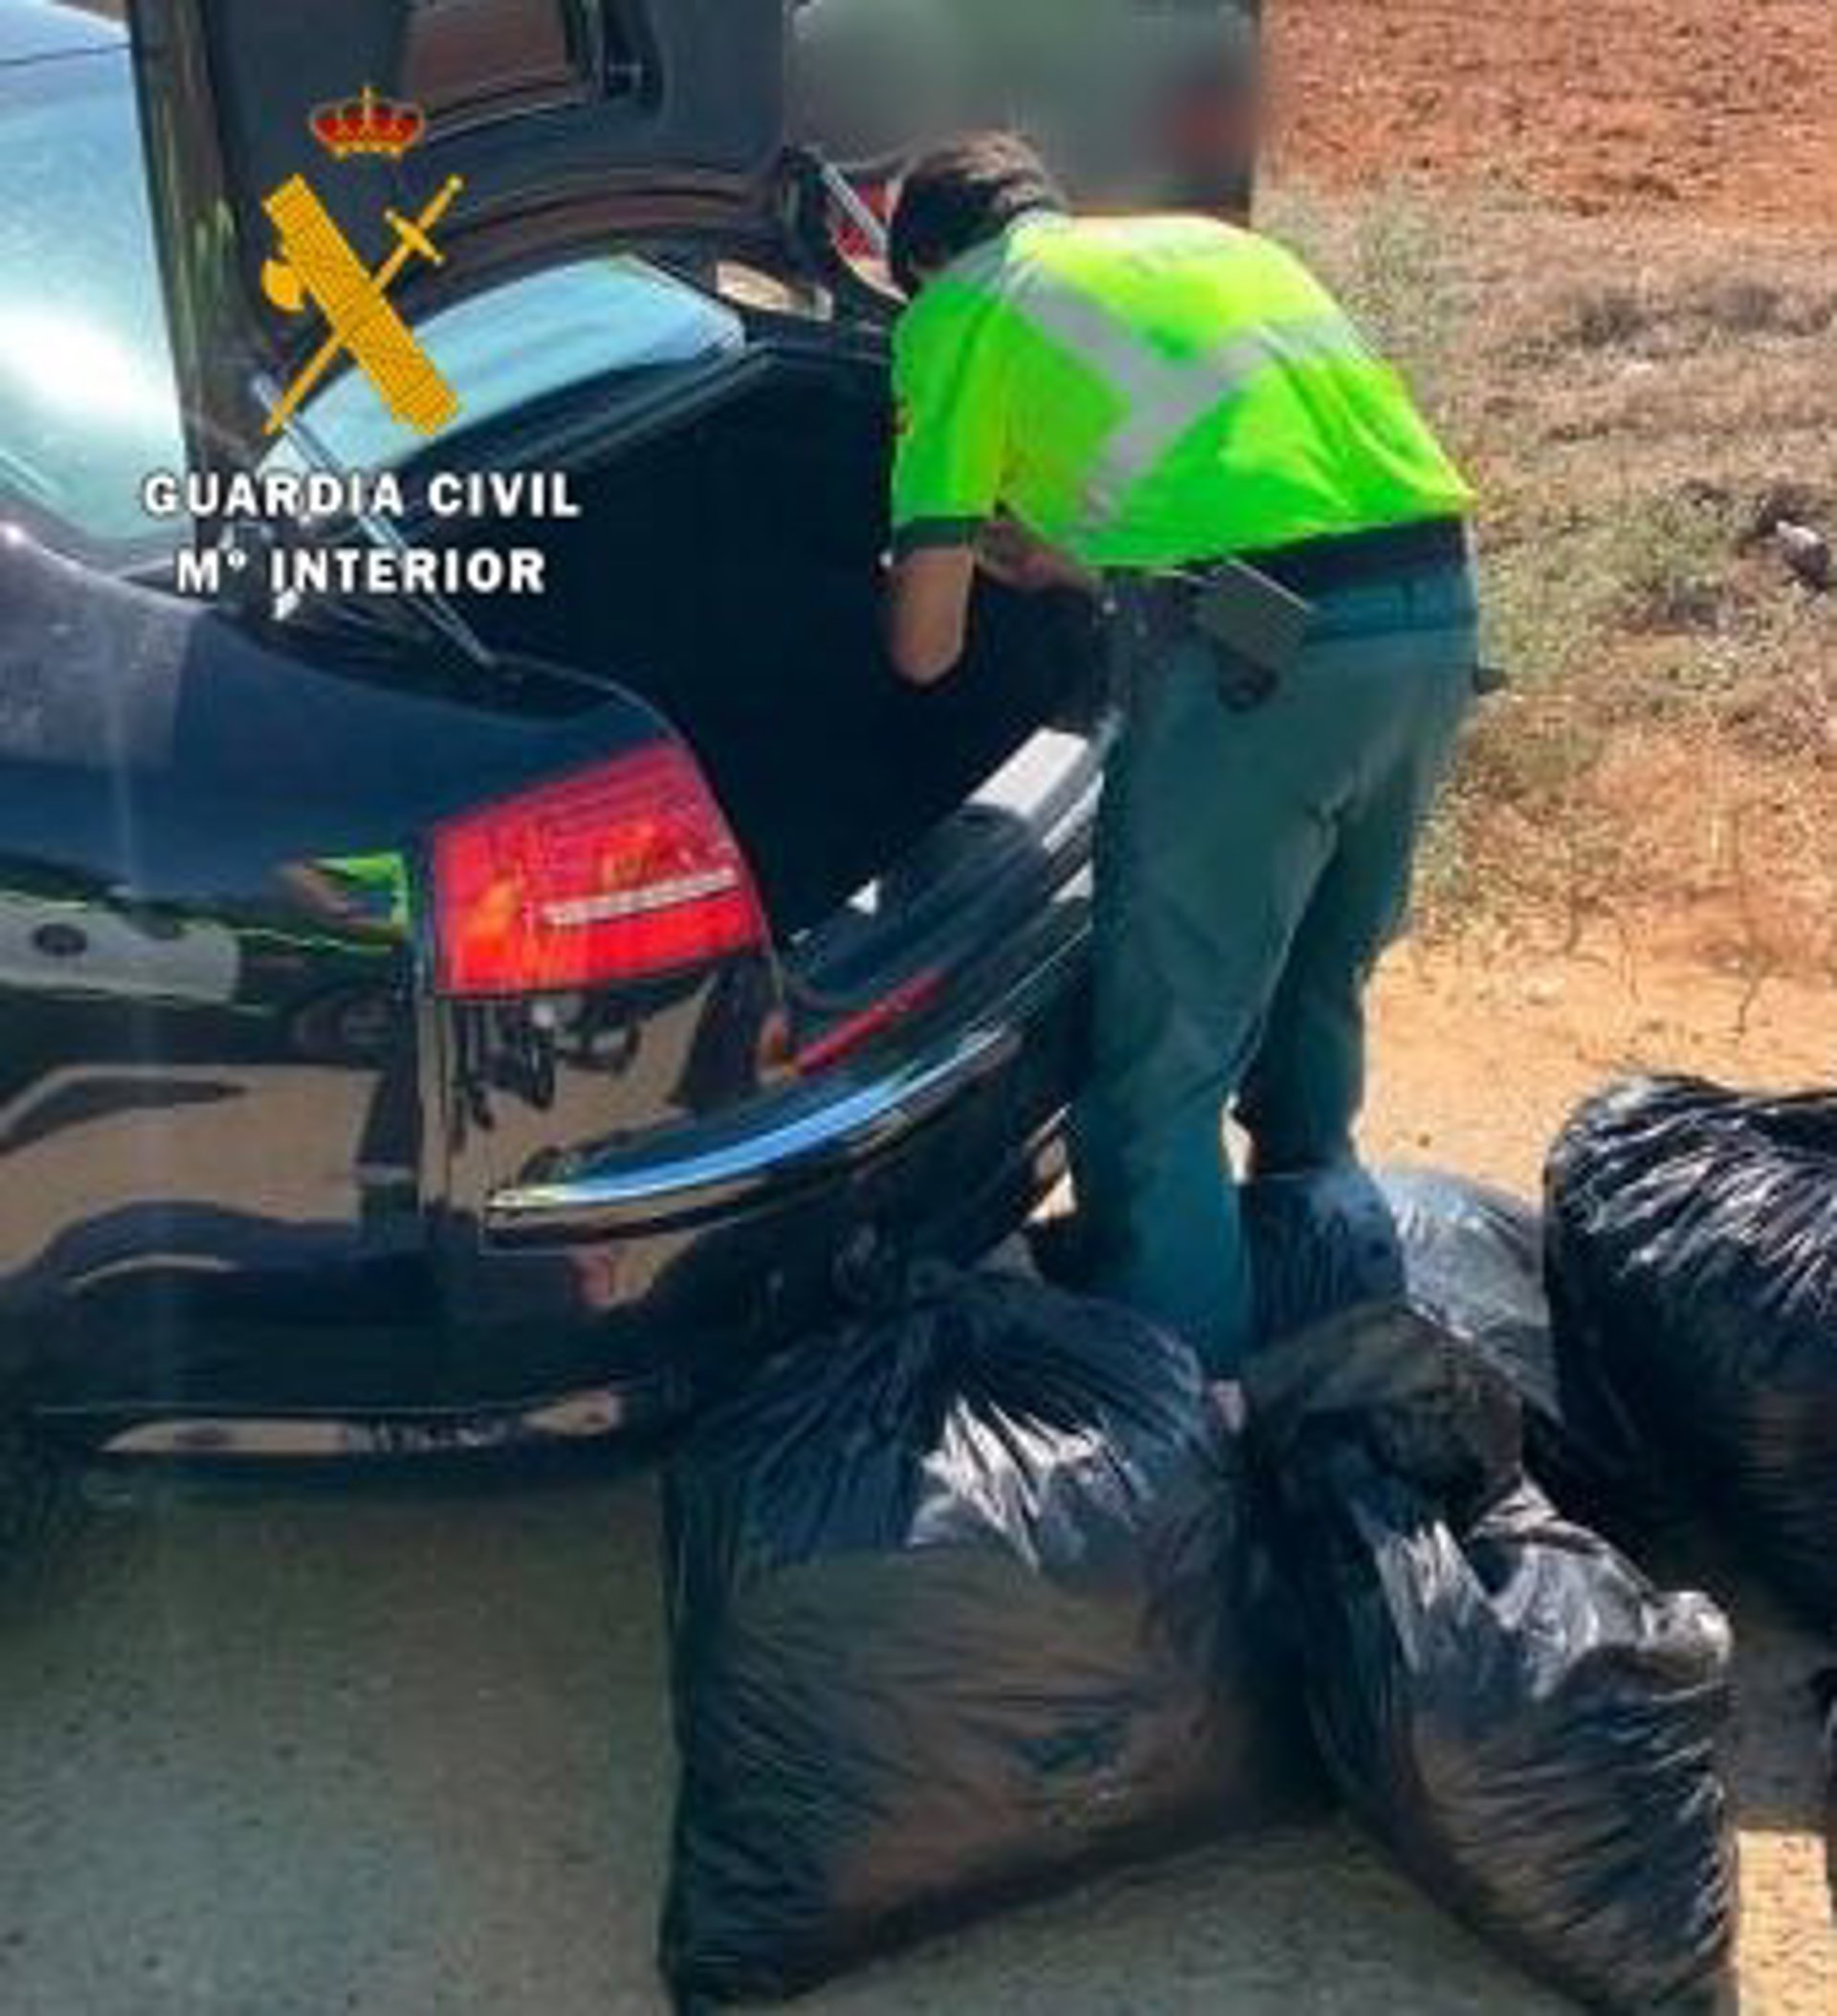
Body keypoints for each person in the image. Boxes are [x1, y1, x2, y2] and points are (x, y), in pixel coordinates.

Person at [880, 133, 1480, 1376]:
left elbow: (925, 652)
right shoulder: (1212, 250)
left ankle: (1184, 1398)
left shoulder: (959, 312)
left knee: (1160, 1070)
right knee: (1316, 978)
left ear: (927, 261)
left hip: (1266, 675)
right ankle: (1327, 1274)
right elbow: (1266, 493)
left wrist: (906, 572)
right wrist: (1074, 562)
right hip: (1432, 624)